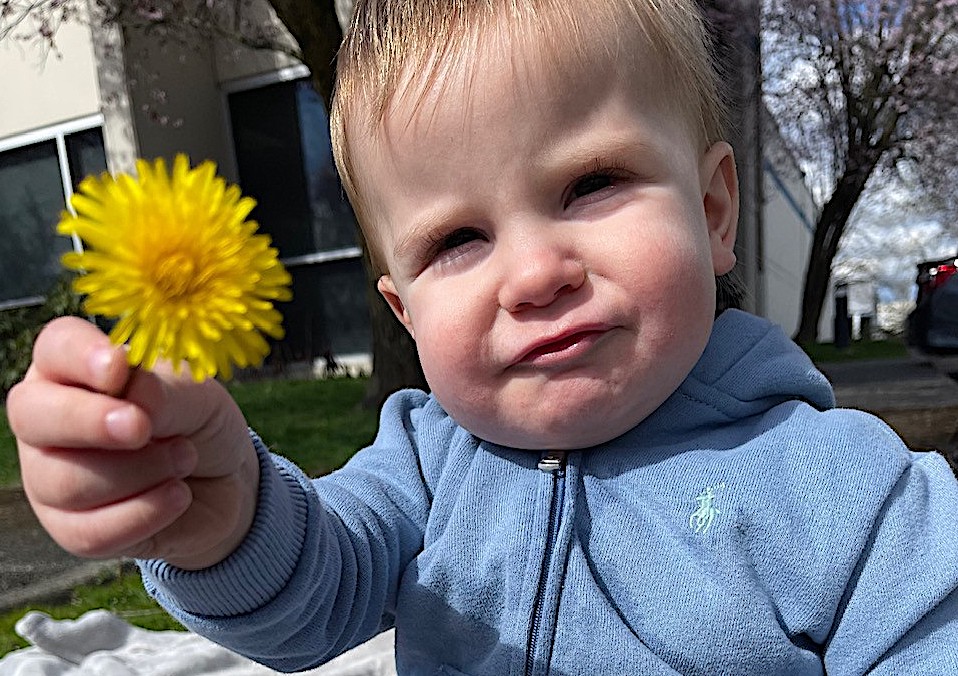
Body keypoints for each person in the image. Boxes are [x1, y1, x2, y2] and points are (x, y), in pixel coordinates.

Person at [9, 0, 958, 673]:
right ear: (402, 310)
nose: (537, 273)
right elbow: (311, 601)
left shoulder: (849, 493)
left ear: (713, 212)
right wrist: (217, 521)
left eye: (590, 184)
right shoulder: (424, 467)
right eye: (458, 239)